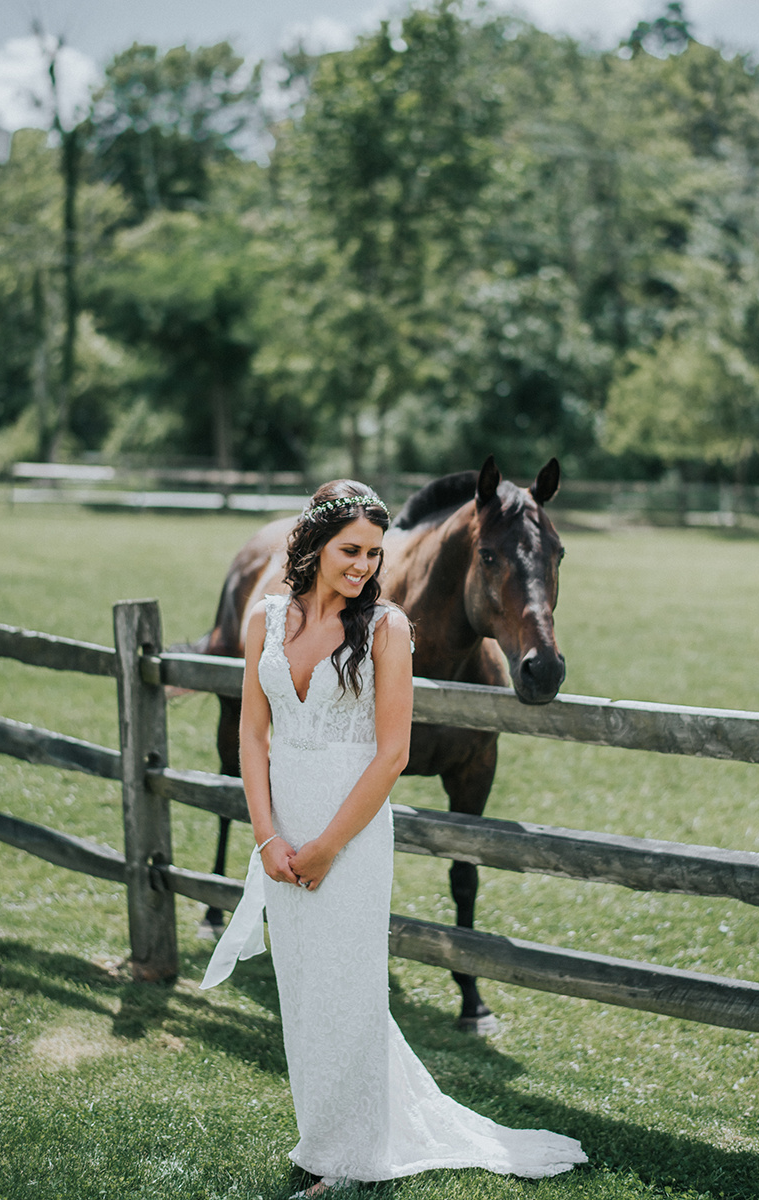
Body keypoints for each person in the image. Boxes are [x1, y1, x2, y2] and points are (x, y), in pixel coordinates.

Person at [200, 480, 587, 1196]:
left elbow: (392, 755)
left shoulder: (387, 629)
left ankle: (346, 1158)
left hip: (348, 833)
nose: (363, 567)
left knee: (348, 987)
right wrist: (266, 838)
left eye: (374, 554)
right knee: (304, 990)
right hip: (282, 827)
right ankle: (321, 1132)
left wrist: (323, 849)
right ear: (312, 544)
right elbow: (252, 735)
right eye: (350, 550)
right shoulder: (264, 620)